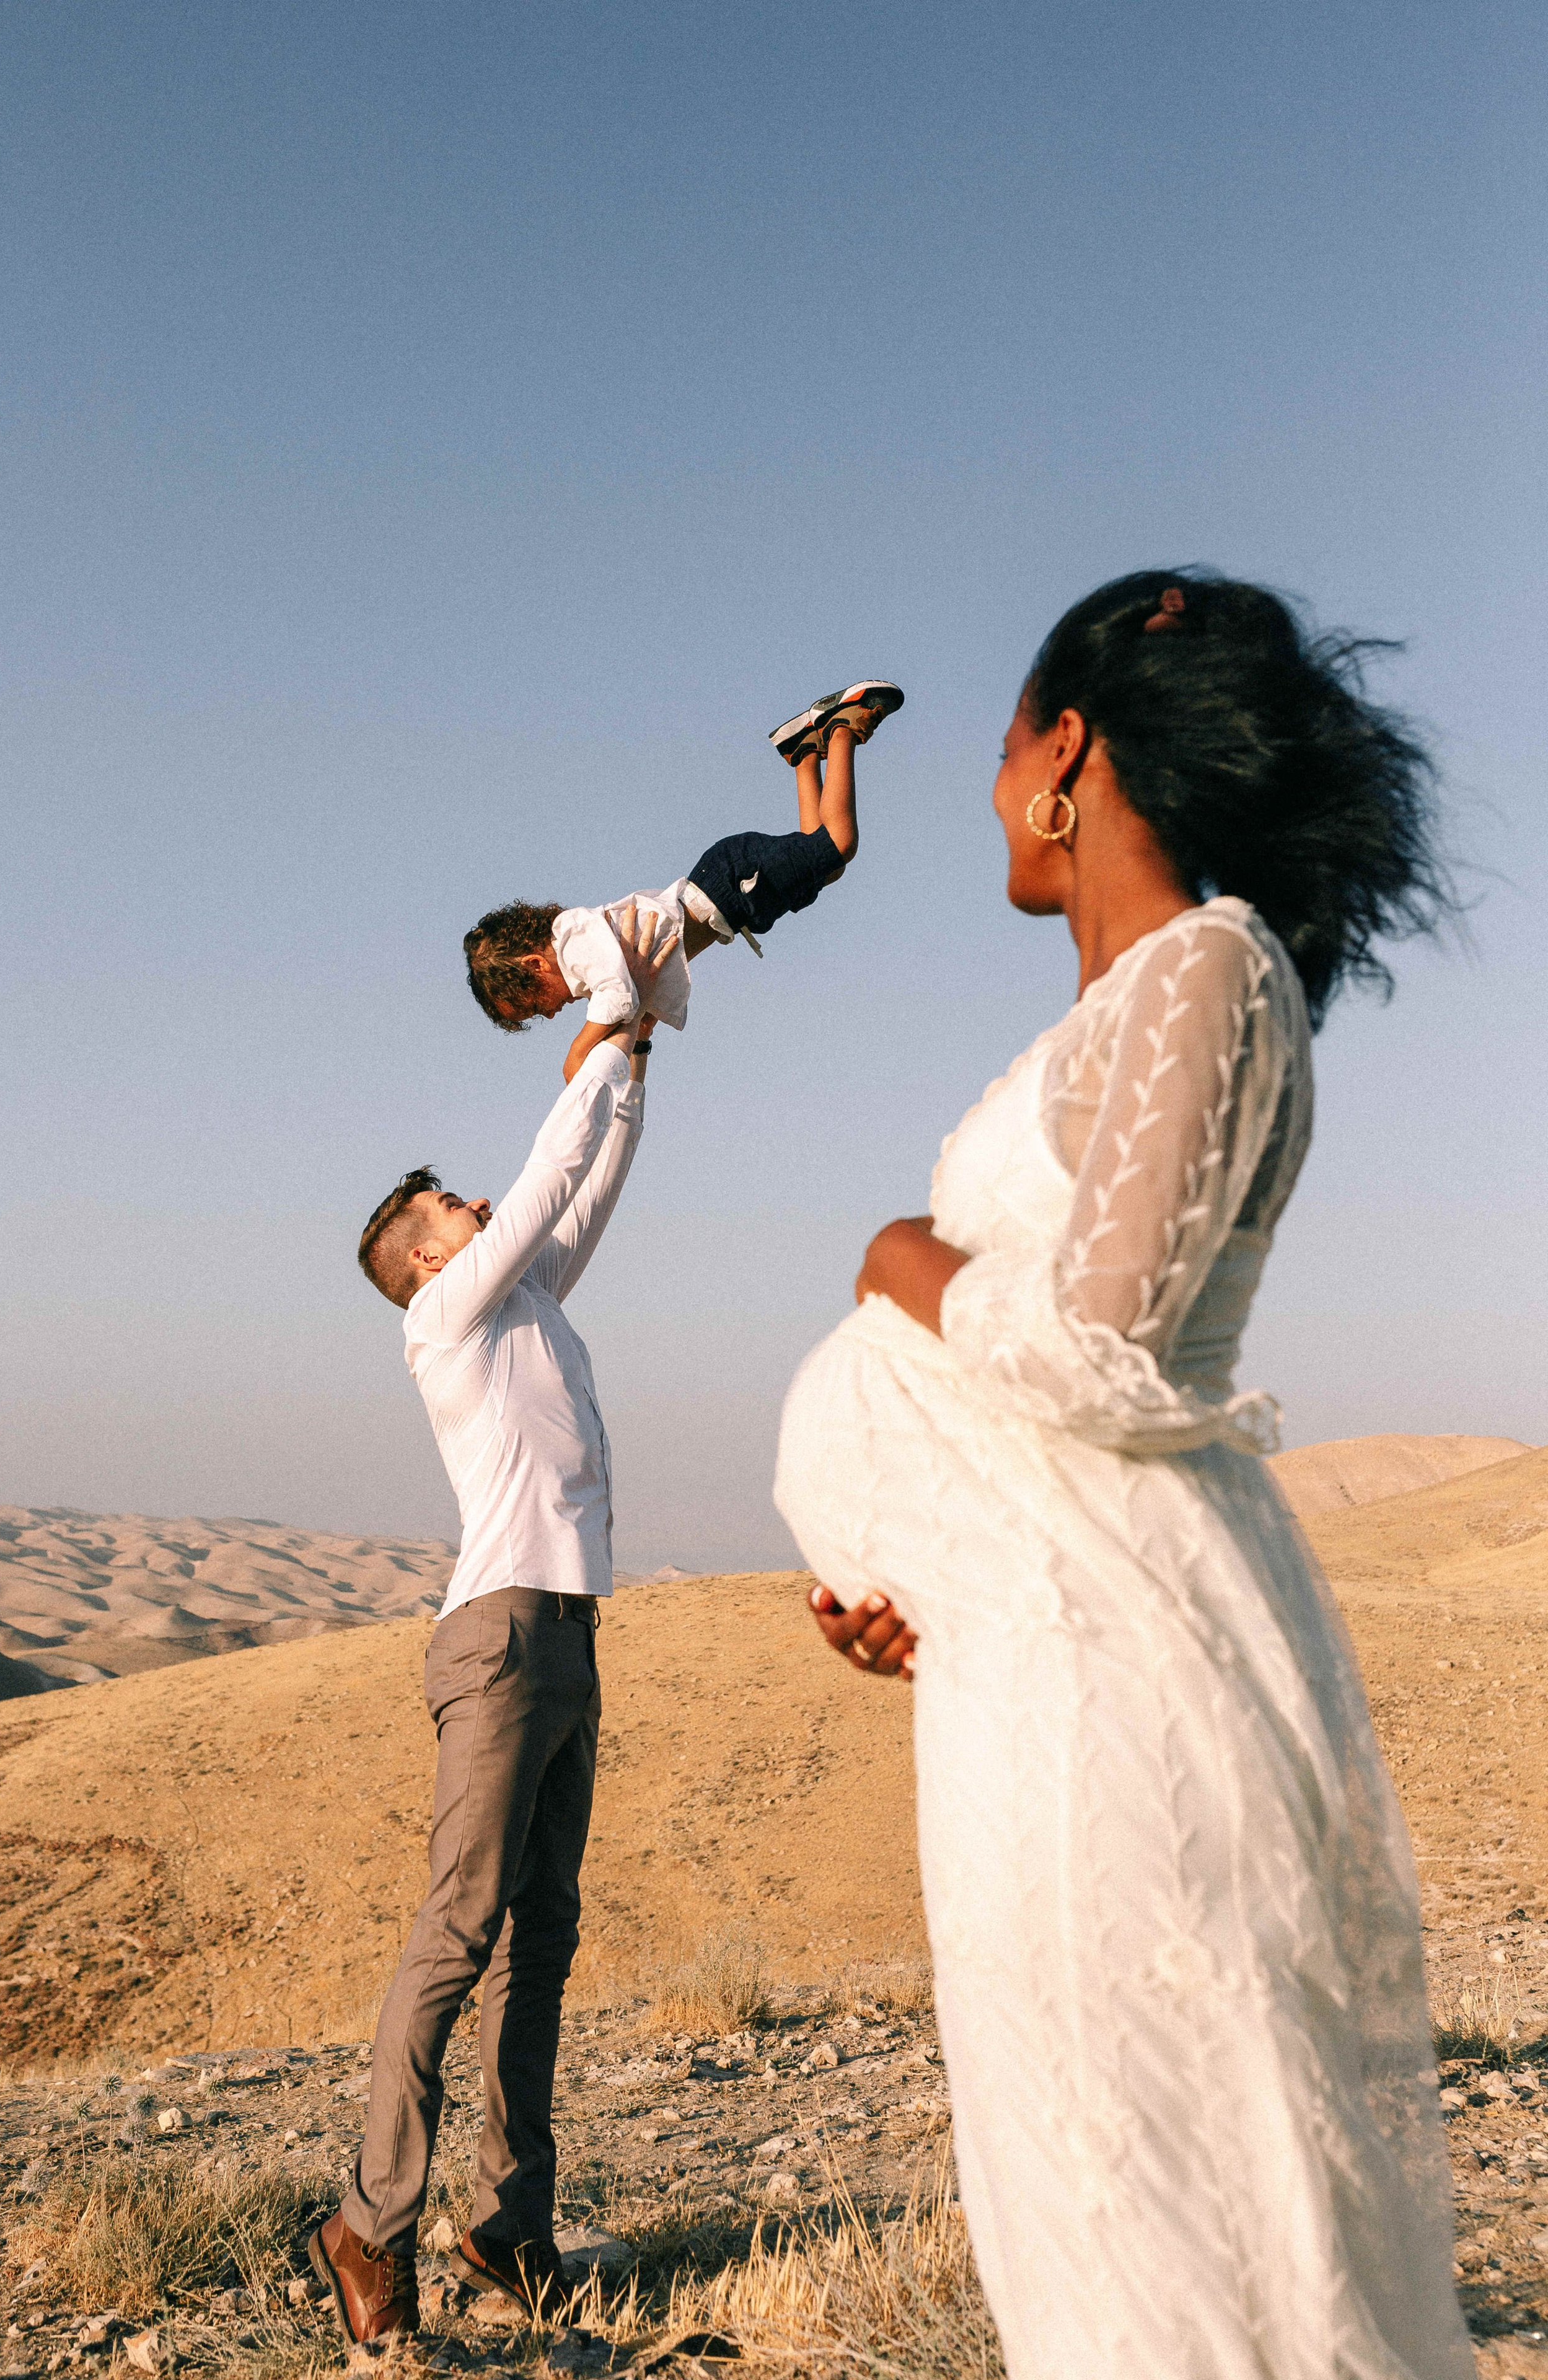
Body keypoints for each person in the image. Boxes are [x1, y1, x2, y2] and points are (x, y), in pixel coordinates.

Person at [773, 573, 1471, 2379]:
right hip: (1024, 1673)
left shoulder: (1210, 968)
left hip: (1127, 1692)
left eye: (1002, 743)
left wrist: (893, 1258)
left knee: (1174, 2197)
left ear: (1065, 751)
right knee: (1075, 2194)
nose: (991, 783)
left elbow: (1110, 1351)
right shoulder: (1103, 1018)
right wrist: (908, 1567)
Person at [307, 909, 675, 2347]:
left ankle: (506, 2224)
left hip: (566, 1630)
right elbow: (540, 1176)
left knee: (545, 1939)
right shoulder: (444, 1317)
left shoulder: (517, 1294)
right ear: (422, 1253)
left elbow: (584, 1187)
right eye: (452, 1206)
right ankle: (367, 2220)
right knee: (460, 1931)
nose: (478, 1207)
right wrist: (596, 1026)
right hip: (501, 1636)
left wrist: (630, 1053)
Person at [462, 679, 902, 1080]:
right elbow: (631, 1004)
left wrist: (577, 1053)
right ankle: (804, 751)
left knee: (839, 844)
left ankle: (841, 727)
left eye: (535, 1004)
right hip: (729, 897)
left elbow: (618, 998)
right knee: (827, 863)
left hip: (729, 882)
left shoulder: (574, 944)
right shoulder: (580, 957)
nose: (549, 1014)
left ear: (535, 966)